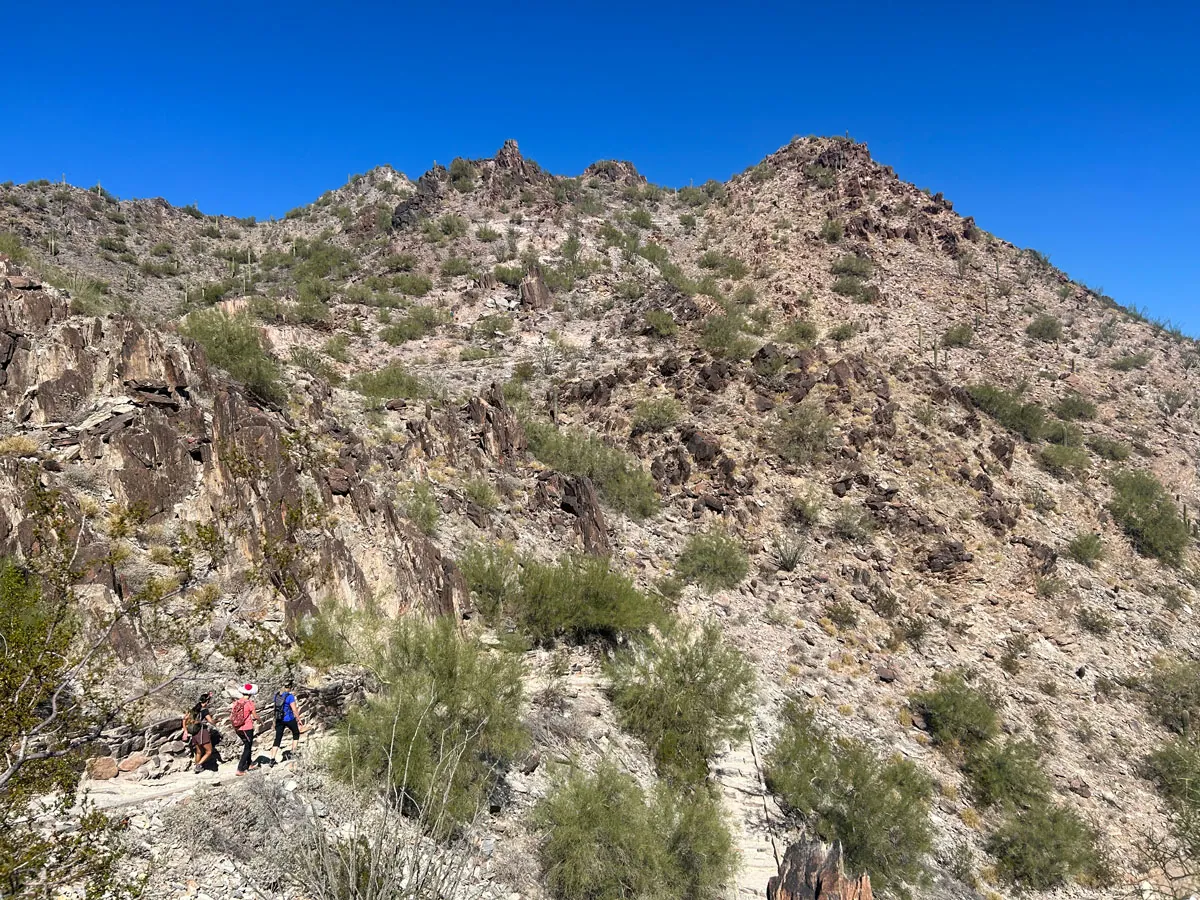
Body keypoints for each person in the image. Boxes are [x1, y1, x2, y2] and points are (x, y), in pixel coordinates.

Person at [269, 680, 304, 765]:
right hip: (289, 718)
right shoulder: (290, 696)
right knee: (296, 733)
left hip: (279, 719)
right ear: (290, 687)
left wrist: (274, 721)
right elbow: (294, 709)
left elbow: (276, 707)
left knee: (278, 738)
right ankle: (293, 753)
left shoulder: (276, 695)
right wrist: (299, 719)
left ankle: (272, 759)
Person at [230, 683, 262, 776]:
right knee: (248, 748)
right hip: (247, 727)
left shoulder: (237, 702)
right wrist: (261, 721)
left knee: (247, 745)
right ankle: (240, 769)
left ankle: (249, 764)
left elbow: (231, 715)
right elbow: (255, 716)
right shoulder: (249, 703)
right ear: (250, 694)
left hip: (237, 728)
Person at [182, 692, 215, 773]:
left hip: (194, 733)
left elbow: (184, 719)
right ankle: (198, 765)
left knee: (199, 751)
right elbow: (211, 721)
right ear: (207, 702)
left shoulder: (194, 709)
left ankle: (197, 768)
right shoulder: (204, 710)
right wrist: (217, 720)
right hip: (202, 732)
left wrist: (185, 730)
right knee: (209, 751)